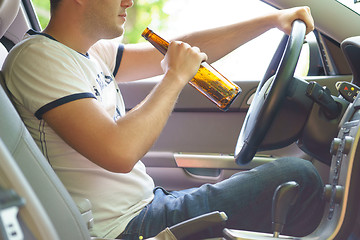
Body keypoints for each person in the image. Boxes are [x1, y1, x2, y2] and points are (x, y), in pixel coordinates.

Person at [2, 0, 324, 239]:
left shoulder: (91, 52)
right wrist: (174, 78)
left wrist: (271, 20)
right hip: (125, 229)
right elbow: (119, 151)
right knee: (299, 177)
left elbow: (183, 51)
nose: (128, 1)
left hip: (150, 206)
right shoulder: (37, 59)